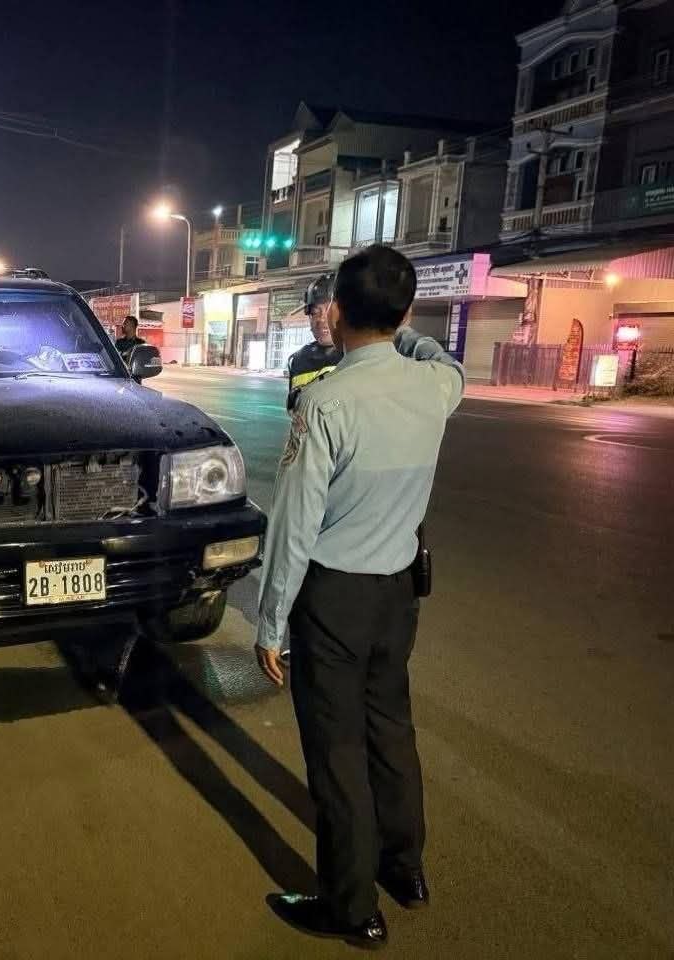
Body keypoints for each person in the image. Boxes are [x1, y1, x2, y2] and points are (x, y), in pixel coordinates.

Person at [255, 245, 464, 948]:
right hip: (397, 595)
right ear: (405, 313)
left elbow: (294, 525)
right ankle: (405, 870)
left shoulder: (325, 401)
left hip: (334, 599)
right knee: (391, 732)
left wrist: (270, 622)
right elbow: (449, 364)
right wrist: (407, 335)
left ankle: (351, 907)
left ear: (337, 312)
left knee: (337, 749)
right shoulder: (434, 387)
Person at [285, 274, 340, 411]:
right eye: (315, 312)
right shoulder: (299, 360)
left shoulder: (361, 356)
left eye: (329, 310)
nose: (321, 319)